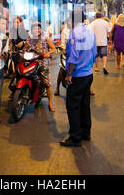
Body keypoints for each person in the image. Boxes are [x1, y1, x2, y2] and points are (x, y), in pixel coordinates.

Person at [60, 9, 97, 147]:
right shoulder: (89, 32)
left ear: (71, 20)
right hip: (88, 74)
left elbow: (73, 57)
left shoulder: (74, 33)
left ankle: (75, 137)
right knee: (84, 104)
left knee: (73, 106)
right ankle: (86, 133)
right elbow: (94, 54)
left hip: (78, 75)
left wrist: (69, 74)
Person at [25, 22, 56, 112]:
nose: (37, 30)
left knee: (47, 83)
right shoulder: (29, 39)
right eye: (34, 28)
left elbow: (53, 48)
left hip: (42, 63)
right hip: (31, 62)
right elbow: (25, 49)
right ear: (32, 30)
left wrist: (48, 53)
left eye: (38, 28)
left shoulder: (45, 38)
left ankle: (50, 103)